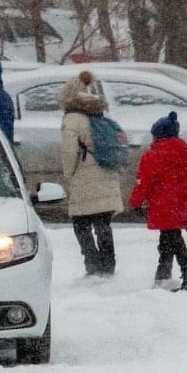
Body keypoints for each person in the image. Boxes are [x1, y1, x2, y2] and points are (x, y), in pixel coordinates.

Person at [130, 111, 187, 292]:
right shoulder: (182, 156)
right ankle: (163, 276)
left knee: (175, 243)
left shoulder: (152, 157)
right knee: (168, 241)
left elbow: (143, 183)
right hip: (178, 209)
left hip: (161, 208)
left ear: (158, 135)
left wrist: (135, 203)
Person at [59, 71, 122, 276]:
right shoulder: (98, 112)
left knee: (81, 223)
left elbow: (69, 151)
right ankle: (109, 264)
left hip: (84, 177)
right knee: (103, 223)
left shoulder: (72, 118)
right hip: (105, 173)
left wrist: (69, 174)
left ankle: (92, 264)